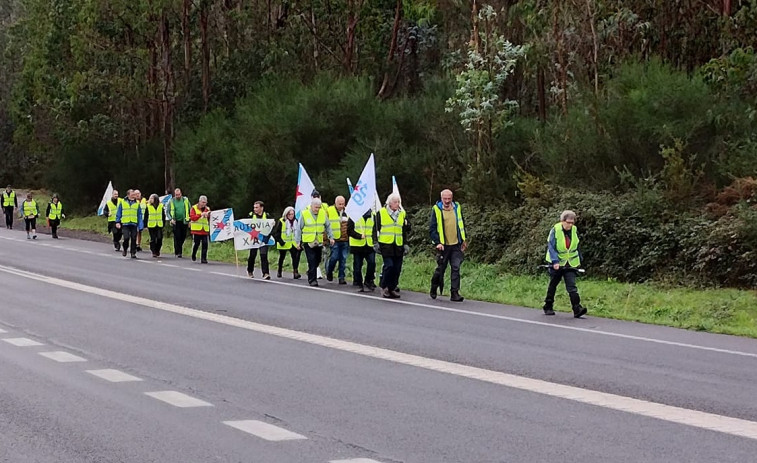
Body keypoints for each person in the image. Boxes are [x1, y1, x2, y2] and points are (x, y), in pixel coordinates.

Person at [543, 210, 587, 318]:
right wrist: (555, 261)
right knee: (553, 285)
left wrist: (579, 260)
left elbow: (576, 246)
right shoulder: (555, 230)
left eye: (572, 223)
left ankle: (577, 309)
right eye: (568, 222)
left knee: (572, 286)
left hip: (570, 263)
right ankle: (548, 306)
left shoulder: (574, 230)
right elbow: (551, 247)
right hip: (557, 263)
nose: (570, 225)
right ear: (562, 221)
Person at [429, 189, 467, 302]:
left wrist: (463, 240)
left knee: (456, 268)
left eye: (449, 199)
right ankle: (434, 286)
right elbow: (432, 229)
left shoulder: (457, 208)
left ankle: (454, 293)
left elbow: (461, 224)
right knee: (441, 269)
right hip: (443, 246)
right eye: (444, 199)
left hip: (456, 244)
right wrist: (438, 242)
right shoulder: (436, 209)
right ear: (441, 198)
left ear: (452, 198)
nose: (447, 201)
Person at [373, 194, 410, 298]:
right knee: (389, 266)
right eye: (395, 202)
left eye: (398, 202)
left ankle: (392, 287)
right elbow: (375, 229)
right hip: (386, 244)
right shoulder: (381, 213)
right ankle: (384, 286)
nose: (397, 204)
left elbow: (404, 230)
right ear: (389, 203)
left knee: (397, 268)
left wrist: (405, 243)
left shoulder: (402, 214)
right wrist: (375, 242)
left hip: (398, 245)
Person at [295, 198, 334, 287]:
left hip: (318, 241)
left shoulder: (322, 214)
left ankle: (310, 272)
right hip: (308, 241)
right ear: (311, 206)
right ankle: (312, 280)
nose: (317, 209)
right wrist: (298, 242)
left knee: (318, 260)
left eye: (319, 207)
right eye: (316, 207)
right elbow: (298, 229)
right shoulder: (305, 214)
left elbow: (328, 226)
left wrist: (331, 237)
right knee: (311, 260)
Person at [348, 209, 376, 292]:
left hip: (369, 244)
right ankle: (358, 282)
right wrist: (359, 236)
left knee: (372, 263)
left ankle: (368, 281)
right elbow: (349, 231)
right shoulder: (354, 215)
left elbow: (375, 229)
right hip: (357, 245)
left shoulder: (373, 215)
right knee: (358, 265)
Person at [326, 195, 350, 284]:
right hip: (334, 239)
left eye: (343, 204)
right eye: (339, 204)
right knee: (334, 257)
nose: (341, 206)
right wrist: (326, 238)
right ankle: (329, 271)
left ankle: (341, 277)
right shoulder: (329, 210)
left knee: (343, 259)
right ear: (335, 203)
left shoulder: (348, 211)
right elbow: (325, 224)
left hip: (345, 239)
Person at [273, 206, 301, 279]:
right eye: (289, 214)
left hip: (293, 243)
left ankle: (295, 272)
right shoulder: (281, 221)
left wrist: (298, 242)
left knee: (295, 258)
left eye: (292, 214)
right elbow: (276, 233)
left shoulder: (296, 221)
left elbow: (298, 232)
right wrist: (281, 241)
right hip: (284, 243)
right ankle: (279, 270)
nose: (291, 216)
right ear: (286, 214)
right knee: (282, 257)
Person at [115, 189, 143, 258]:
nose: (134, 195)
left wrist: (140, 225)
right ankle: (125, 249)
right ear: (128, 195)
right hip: (125, 223)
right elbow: (119, 212)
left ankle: (133, 252)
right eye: (132, 194)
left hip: (134, 223)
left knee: (133, 238)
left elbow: (139, 215)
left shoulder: (137, 203)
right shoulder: (123, 202)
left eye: (134, 194)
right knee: (126, 238)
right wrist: (117, 222)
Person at [247, 201, 271, 279]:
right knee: (252, 255)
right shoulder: (251, 215)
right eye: (254, 207)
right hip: (254, 238)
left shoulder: (267, 216)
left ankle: (266, 273)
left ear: (261, 208)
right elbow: (245, 225)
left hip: (263, 238)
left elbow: (270, 226)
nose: (255, 209)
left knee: (263, 255)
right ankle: (250, 271)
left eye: (257, 207)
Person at [169, 188, 190, 258]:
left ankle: (178, 248)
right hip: (175, 221)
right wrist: (170, 219)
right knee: (177, 236)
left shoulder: (185, 200)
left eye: (179, 194)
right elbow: (167, 211)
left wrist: (190, 220)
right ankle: (179, 252)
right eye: (176, 195)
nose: (177, 196)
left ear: (181, 194)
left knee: (183, 236)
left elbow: (190, 209)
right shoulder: (172, 201)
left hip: (184, 221)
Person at [189, 195, 211, 263]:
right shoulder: (194, 208)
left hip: (204, 230)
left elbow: (210, 219)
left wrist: (208, 215)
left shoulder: (207, 209)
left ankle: (203, 258)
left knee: (205, 244)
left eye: (205, 203)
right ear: (199, 201)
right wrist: (201, 215)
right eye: (202, 202)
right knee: (197, 243)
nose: (204, 204)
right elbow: (192, 217)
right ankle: (194, 254)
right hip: (196, 230)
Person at [144, 194, 165, 258]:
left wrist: (163, 224)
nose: (150, 200)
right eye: (150, 198)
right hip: (151, 225)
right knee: (153, 239)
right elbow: (146, 216)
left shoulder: (161, 206)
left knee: (159, 238)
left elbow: (163, 216)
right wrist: (145, 225)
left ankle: (157, 250)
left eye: (152, 198)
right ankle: (153, 251)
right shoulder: (148, 206)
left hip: (159, 224)